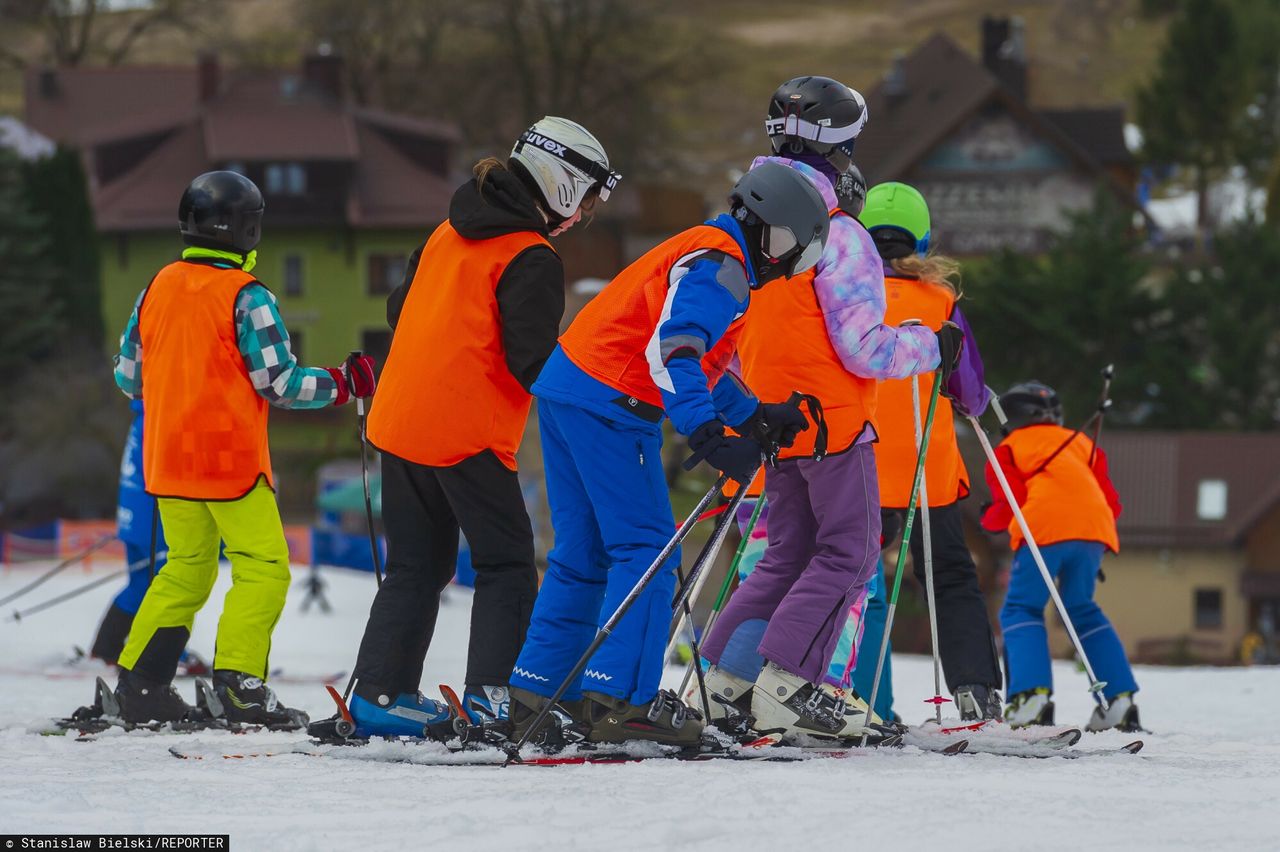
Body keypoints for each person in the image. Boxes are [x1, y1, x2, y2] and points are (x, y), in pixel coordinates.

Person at [508, 162, 829, 747]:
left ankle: (537, 688)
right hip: (610, 400)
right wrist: (706, 434)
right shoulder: (722, 265)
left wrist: (752, 414)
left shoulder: (706, 250)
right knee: (648, 550)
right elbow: (674, 351)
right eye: (789, 247)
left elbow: (700, 362)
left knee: (582, 553)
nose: (785, 266)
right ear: (766, 227)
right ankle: (620, 701)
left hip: (568, 388)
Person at [696, 77, 955, 742]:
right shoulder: (838, 236)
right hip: (834, 420)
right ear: (842, 144)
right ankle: (791, 681)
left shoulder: (745, 219)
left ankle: (723, 683)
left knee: (786, 554)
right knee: (850, 554)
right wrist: (930, 345)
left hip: (771, 414)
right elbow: (865, 347)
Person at [345, 117, 618, 737]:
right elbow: (532, 364)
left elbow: (398, 309)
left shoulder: (448, 231)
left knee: (415, 566)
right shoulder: (531, 255)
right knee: (507, 563)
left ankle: (379, 698)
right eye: (586, 203)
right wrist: (600, 390)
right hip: (464, 433)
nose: (581, 219)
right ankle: (494, 697)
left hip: (399, 422)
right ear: (564, 189)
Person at [108, 170, 375, 728]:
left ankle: (140, 684)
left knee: (184, 570)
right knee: (264, 568)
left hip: (169, 462)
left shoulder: (156, 288)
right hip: (229, 465)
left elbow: (129, 378)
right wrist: (344, 382)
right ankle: (239, 686)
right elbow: (280, 382)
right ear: (249, 230)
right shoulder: (247, 296)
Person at [860, 181, 1005, 721]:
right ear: (923, 240)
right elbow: (967, 390)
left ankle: (858, 697)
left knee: (855, 580)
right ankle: (976, 691)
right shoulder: (941, 301)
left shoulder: (845, 295)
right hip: (927, 469)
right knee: (947, 576)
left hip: (860, 464)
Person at [980, 381, 1141, 732]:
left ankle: (1031, 698)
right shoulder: (1081, 442)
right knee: (1080, 609)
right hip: (1094, 530)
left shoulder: (1008, 448)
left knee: (1021, 608)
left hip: (1043, 529)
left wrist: (988, 519)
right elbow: (1111, 501)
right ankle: (1120, 700)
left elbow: (1010, 502)